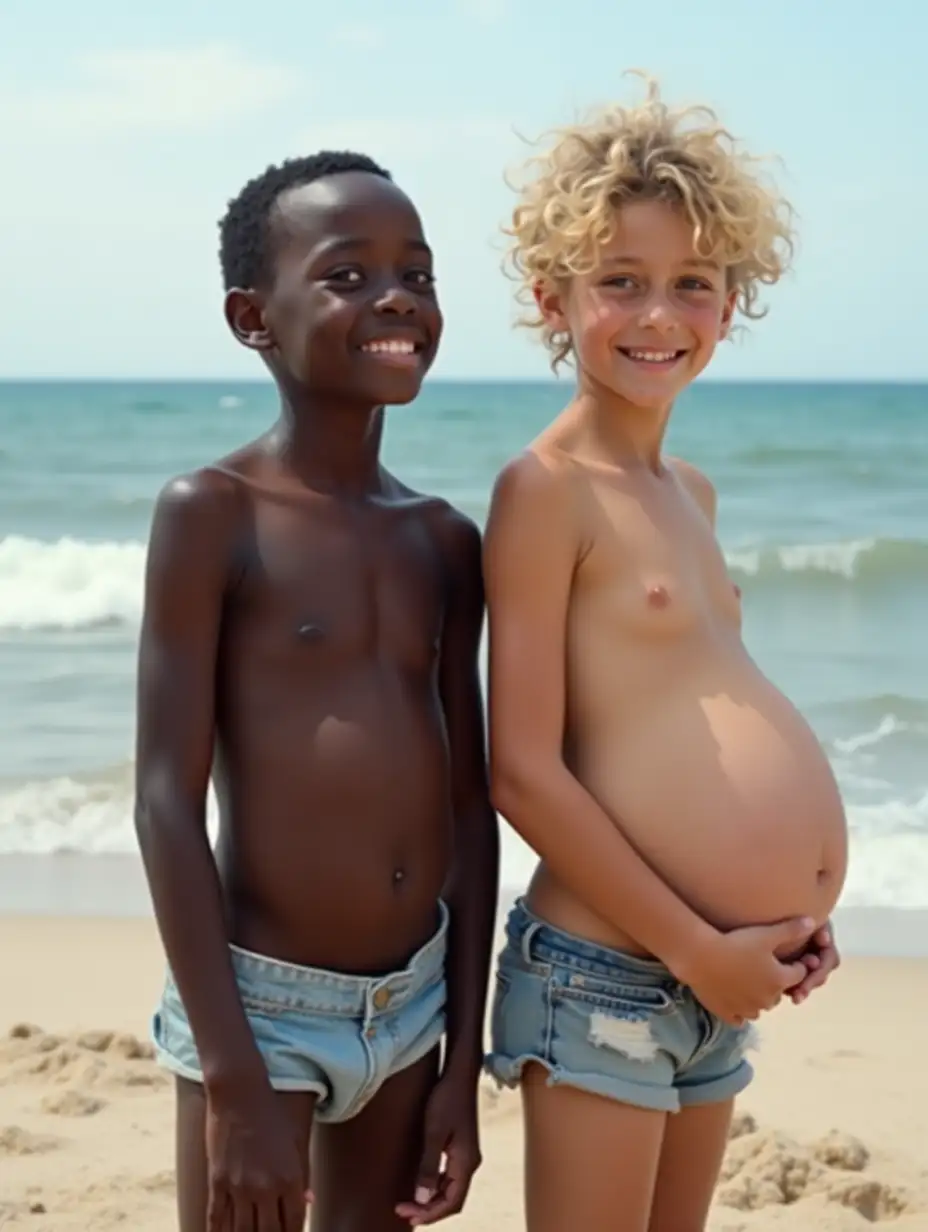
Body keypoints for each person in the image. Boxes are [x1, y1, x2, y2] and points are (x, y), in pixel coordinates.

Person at [482, 80, 845, 1231]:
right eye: (619, 283)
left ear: (732, 300)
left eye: (692, 283)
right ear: (553, 300)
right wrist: (696, 941)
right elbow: (522, 769)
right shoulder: (543, 491)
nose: (659, 313)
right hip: (606, 975)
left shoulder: (687, 490)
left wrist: (783, 915)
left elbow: (689, 707)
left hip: (715, 980)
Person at [134, 151, 499, 1232]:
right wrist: (234, 1075)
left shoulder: (444, 538)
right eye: (347, 274)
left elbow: (470, 811)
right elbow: (164, 799)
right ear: (254, 315)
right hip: (258, 1005)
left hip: (411, 1003)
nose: (397, 298)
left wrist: (457, 1062)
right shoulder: (214, 511)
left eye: (418, 274)